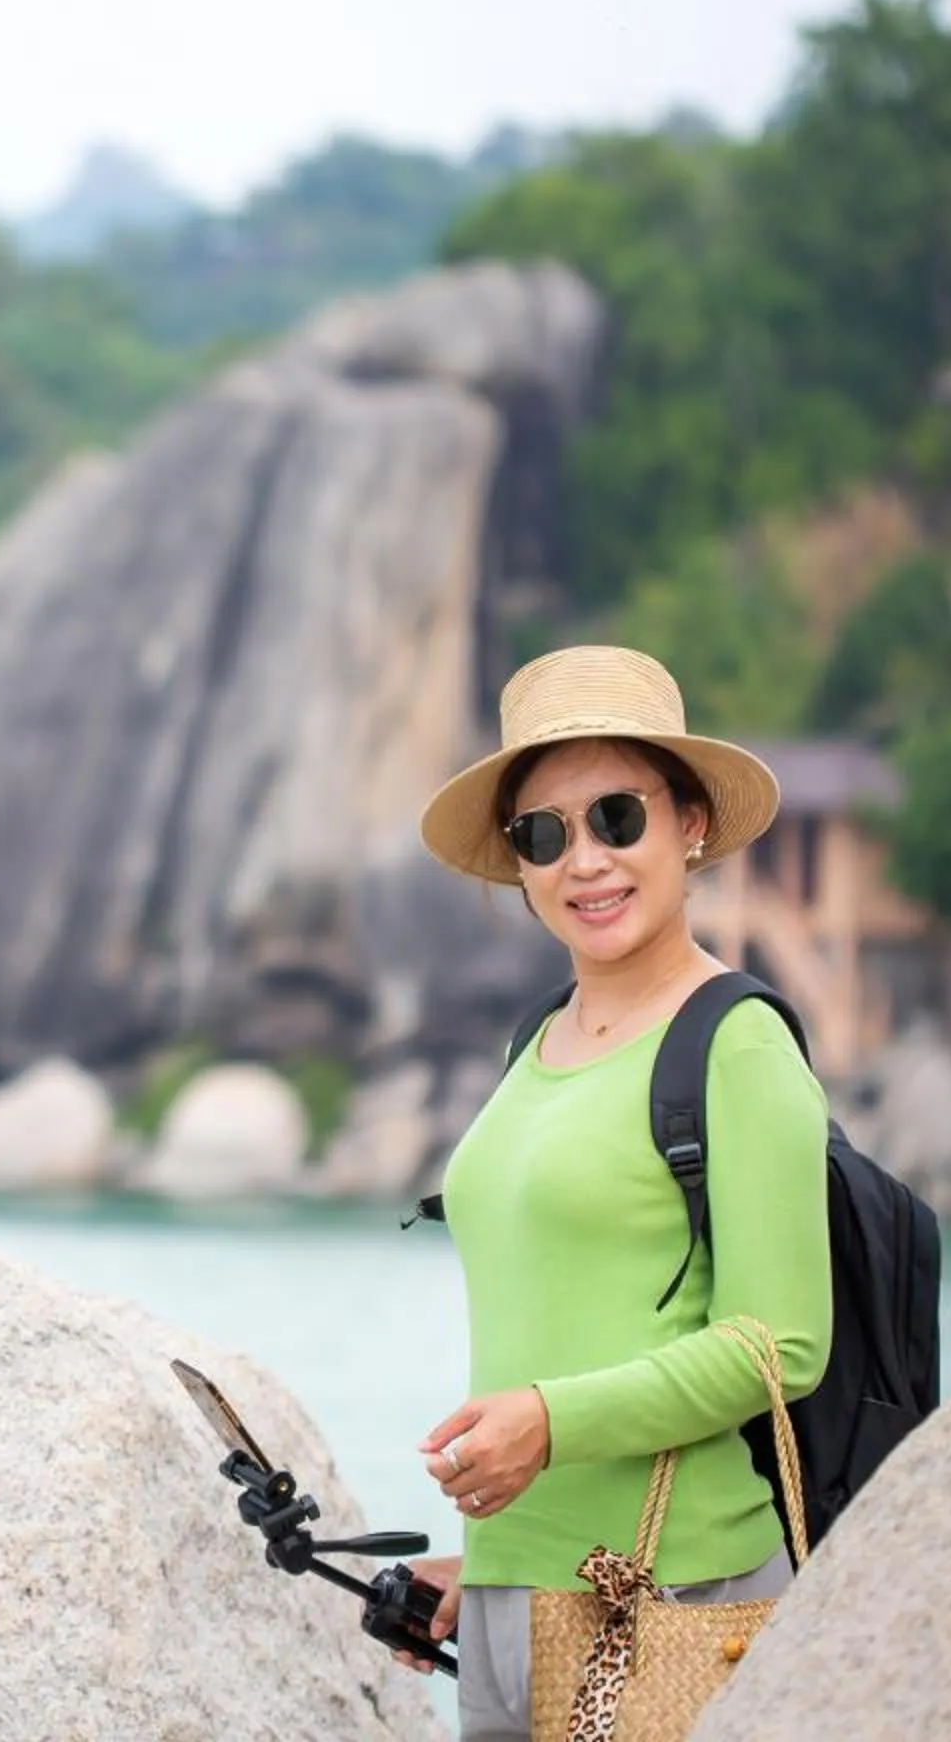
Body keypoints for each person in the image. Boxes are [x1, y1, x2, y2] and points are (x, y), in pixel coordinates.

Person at [393, 645, 831, 1741]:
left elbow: (780, 1346)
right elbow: (564, 1312)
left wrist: (549, 1423)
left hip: (672, 1595)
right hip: (512, 1594)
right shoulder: (532, 1041)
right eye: (543, 834)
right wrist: (485, 1567)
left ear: (690, 823)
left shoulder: (736, 1041)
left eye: (617, 817)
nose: (584, 860)